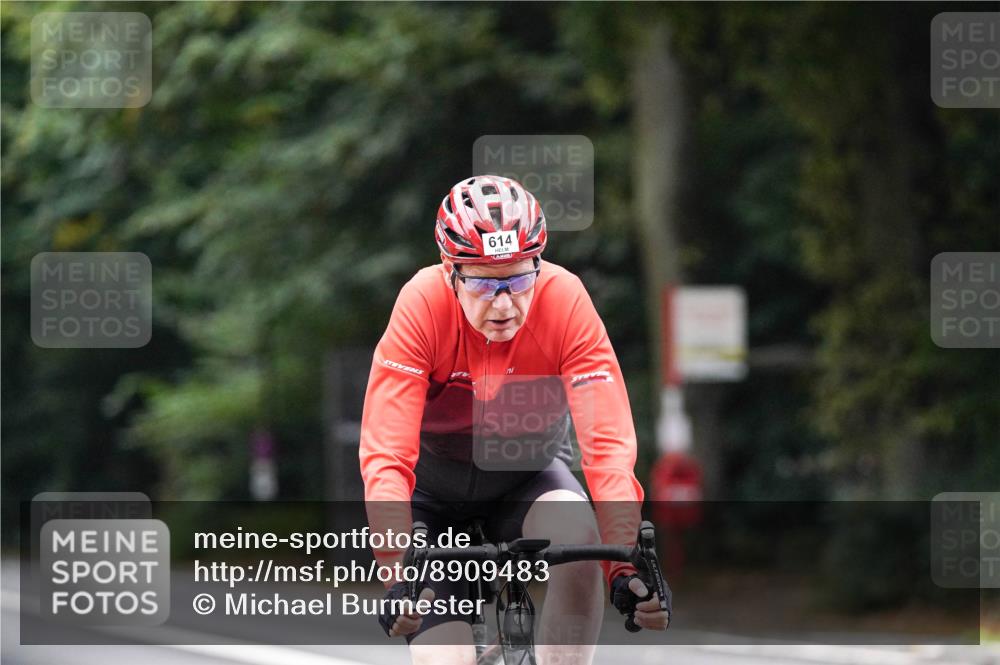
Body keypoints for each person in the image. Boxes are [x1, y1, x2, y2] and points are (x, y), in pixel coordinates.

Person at [359, 175, 669, 665]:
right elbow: (386, 454)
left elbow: (607, 445)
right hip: (431, 497)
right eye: (484, 282)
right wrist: (397, 572)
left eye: (520, 279)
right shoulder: (422, 304)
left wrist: (622, 566)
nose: (504, 302)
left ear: (538, 266)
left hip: (528, 477)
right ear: (451, 271)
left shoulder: (564, 300)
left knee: (581, 540)